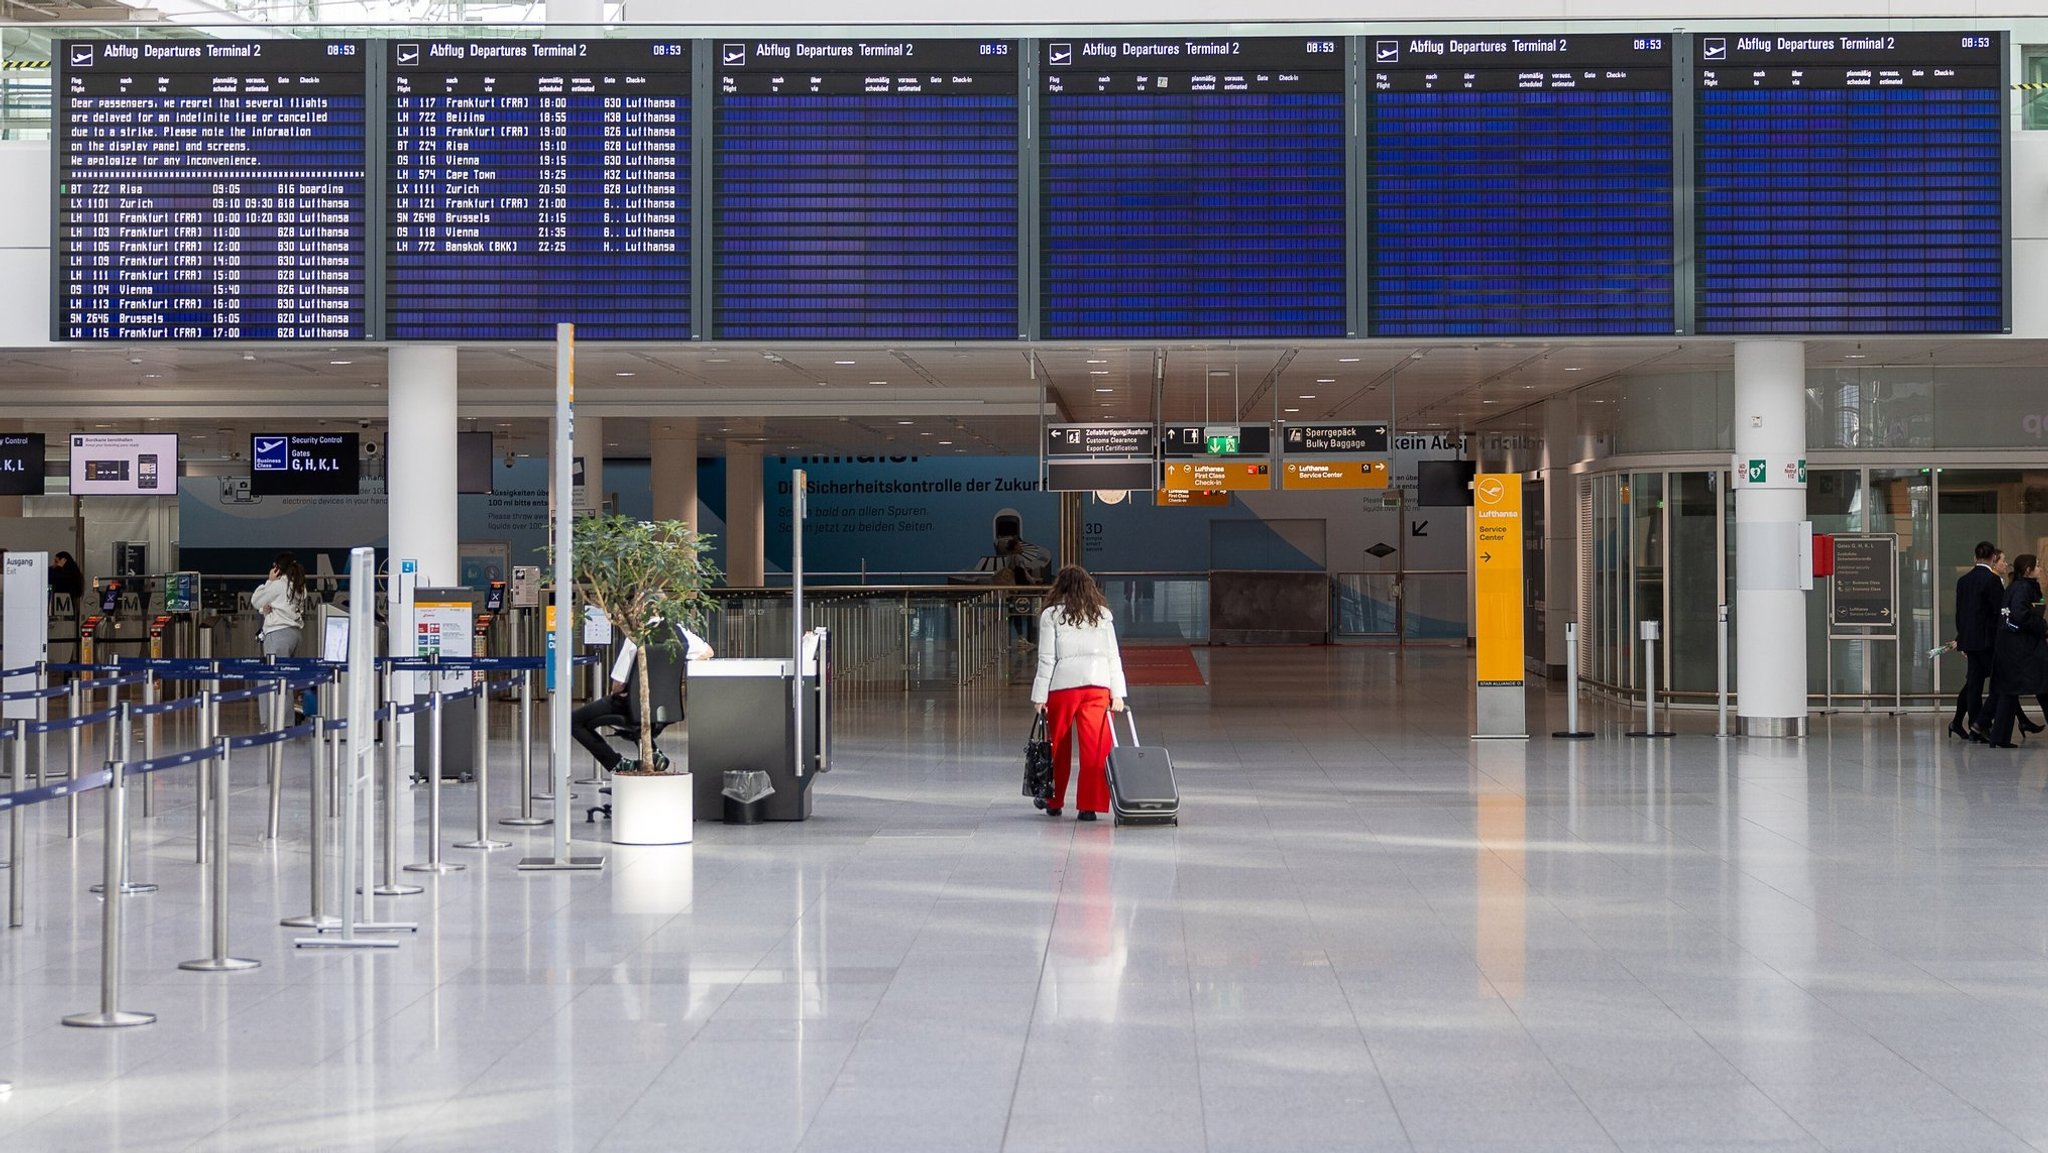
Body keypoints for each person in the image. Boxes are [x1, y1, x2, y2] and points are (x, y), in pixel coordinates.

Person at [1029, 565, 1129, 821]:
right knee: (1095, 748)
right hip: (1098, 687)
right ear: (1089, 587)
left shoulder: (1051, 615)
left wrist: (1040, 697)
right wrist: (1118, 693)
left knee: (1057, 746)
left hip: (1062, 689)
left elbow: (1046, 659)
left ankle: (1054, 801)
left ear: (1059, 587)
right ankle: (1089, 806)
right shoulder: (1103, 615)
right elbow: (1112, 656)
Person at [571, 622, 713, 773]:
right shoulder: (679, 631)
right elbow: (708, 651)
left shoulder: (636, 635)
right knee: (637, 716)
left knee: (574, 721)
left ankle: (618, 763)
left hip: (629, 704)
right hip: (667, 706)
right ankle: (652, 752)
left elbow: (618, 686)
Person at [1987, 555, 2048, 747]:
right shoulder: (2023, 588)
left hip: (2011, 648)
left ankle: (1999, 737)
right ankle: (1999, 737)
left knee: (2009, 692)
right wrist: (2042, 625)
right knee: (2044, 688)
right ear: (2028, 570)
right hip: (2023, 650)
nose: (2040, 569)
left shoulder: (2016, 586)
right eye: (2037, 566)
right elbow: (2021, 615)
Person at [1949, 541, 2005, 742]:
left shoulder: (1963, 581)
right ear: (1992, 559)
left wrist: (1961, 637)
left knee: (1974, 683)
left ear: (1975, 558)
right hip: (1988, 640)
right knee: (1999, 681)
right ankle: (1981, 723)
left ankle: (1974, 725)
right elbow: (1998, 612)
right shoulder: (1992, 581)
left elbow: (1960, 613)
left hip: (1969, 639)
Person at [250, 552, 307, 660]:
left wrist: (270, 581)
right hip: (295, 635)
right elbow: (285, 606)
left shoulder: (278, 585)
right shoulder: (299, 587)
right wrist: (266, 611)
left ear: (277, 569)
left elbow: (256, 600)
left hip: (278, 634)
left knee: (276, 673)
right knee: (290, 673)